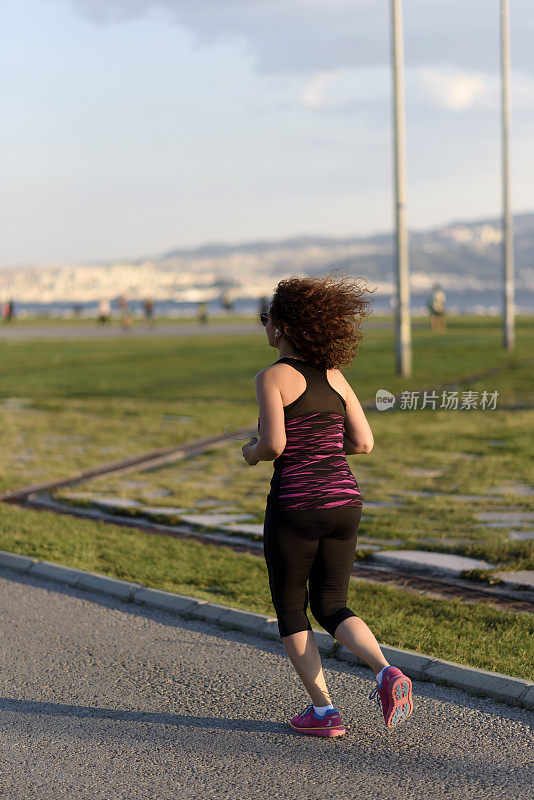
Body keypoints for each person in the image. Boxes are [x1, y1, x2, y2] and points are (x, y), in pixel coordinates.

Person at [241, 273, 413, 737]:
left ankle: (323, 712)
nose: (265, 329)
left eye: (266, 320)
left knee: (293, 609)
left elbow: (274, 444)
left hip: (297, 506)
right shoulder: (336, 377)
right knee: (333, 603)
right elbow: (364, 442)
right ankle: (385, 671)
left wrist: (252, 450)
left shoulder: (271, 377)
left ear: (282, 327)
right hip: (345, 503)